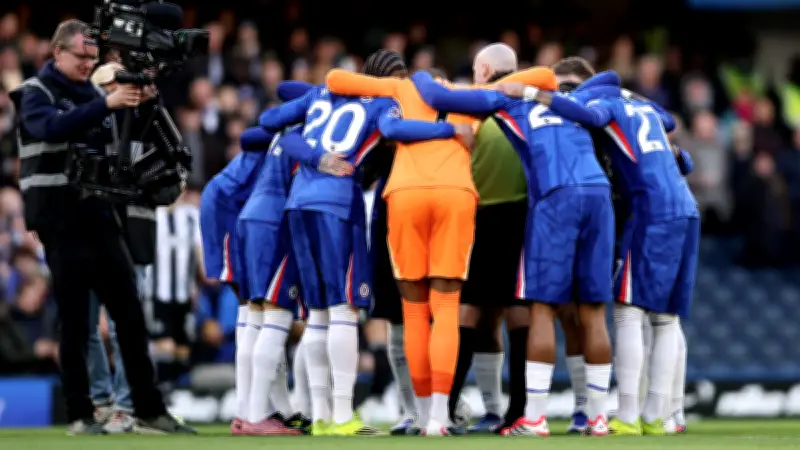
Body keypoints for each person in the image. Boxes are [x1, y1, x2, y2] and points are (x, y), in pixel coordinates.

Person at [325, 54, 555, 437]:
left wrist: (415, 83)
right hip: (455, 195)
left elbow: (334, 79)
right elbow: (546, 75)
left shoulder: (401, 88)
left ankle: (422, 412)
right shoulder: (472, 95)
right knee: (446, 307)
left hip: (405, 195)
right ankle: (437, 419)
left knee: (414, 312)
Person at [259, 50, 471, 436]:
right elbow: (393, 131)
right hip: (338, 204)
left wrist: (315, 155)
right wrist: (448, 131)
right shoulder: (387, 102)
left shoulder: (320, 93)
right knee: (343, 311)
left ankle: (320, 415)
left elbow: (273, 124)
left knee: (317, 314)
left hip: (298, 203)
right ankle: (342, 416)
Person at [8, 19, 193, 434]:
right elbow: (50, 127)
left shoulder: (94, 94)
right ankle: (80, 412)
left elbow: (119, 145)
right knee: (75, 322)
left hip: (99, 213)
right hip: (58, 218)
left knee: (130, 315)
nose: (88, 64)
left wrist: (142, 104)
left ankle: (146, 406)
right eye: (81, 56)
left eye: (93, 57)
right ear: (57, 52)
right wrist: (108, 105)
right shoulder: (33, 94)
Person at [411, 67, 615, 437]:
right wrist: (547, 89)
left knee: (538, 309)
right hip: (599, 195)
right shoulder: (577, 100)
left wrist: (424, 75)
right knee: (594, 312)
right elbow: (611, 78)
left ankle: (534, 419)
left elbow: (439, 98)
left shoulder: (505, 97)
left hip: (555, 194)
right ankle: (598, 419)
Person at [504, 60, 698, 435]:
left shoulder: (596, 108)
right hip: (682, 206)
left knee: (627, 312)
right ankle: (666, 414)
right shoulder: (640, 107)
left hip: (643, 209)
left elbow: (587, 113)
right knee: (665, 318)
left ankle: (630, 416)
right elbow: (676, 142)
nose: (563, 96)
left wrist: (531, 94)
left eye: (569, 88)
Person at [197, 81, 317, 436]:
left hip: (240, 212)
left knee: (252, 315)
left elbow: (258, 126)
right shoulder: (298, 134)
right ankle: (254, 415)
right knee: (270, 315)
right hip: (243, 214)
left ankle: (256, 410)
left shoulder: (276, 132)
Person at [236, 120, 354, 436]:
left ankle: (245, 410)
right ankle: (258, 416)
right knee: (277, 318)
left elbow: (250, 135)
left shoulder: (287, 132)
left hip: (252, 215)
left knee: (254, 317)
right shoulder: (316, 133)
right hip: (276, 221)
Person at [443, 43, 533, 434]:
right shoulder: (531, 106)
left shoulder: (469, 104)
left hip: (478, 217)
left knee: (469, 313)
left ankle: (444, 407)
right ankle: (517, 411)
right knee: (518, 313)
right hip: (524, 217)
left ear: (483, 68)